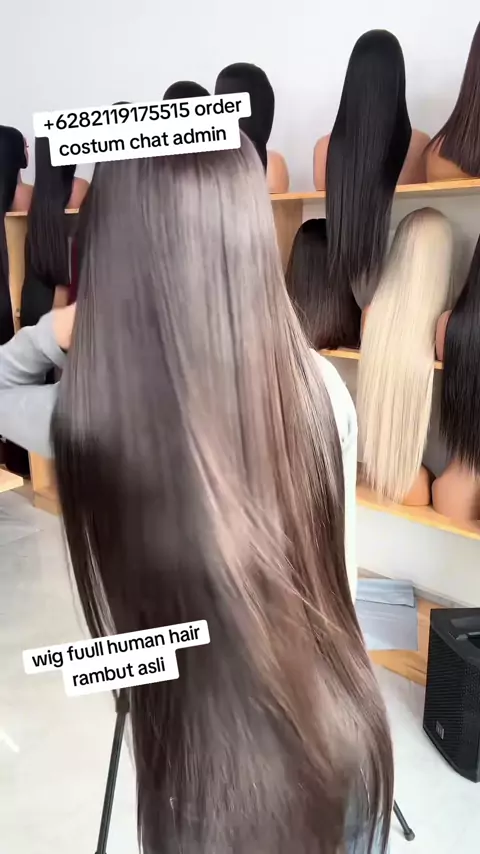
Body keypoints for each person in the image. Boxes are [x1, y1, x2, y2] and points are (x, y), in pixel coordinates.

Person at [1, 138, 392, 852]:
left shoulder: (96, 414)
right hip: (338, 734)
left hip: (203, 768)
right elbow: (340, 575)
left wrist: (60, 326)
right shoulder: (318, 388)